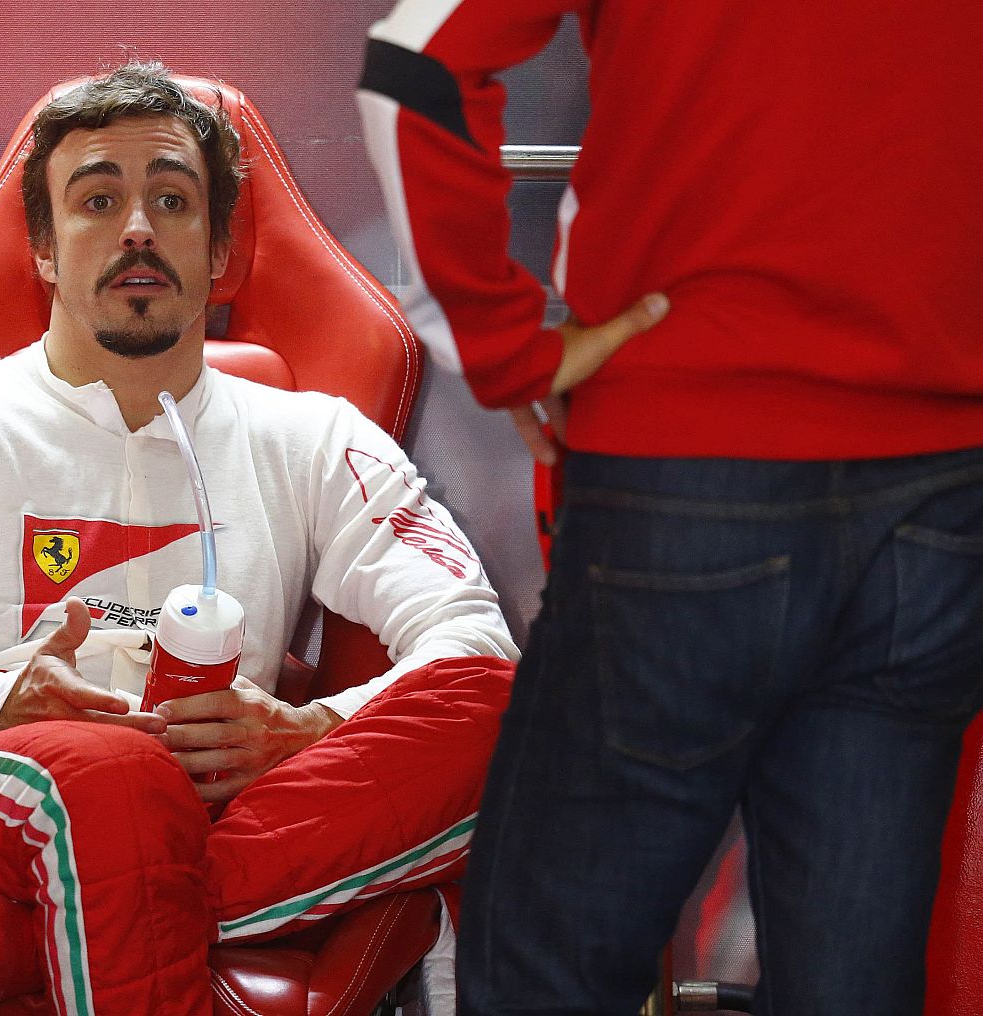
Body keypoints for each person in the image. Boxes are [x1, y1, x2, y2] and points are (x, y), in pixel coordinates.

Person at [0, 61, 516, 1015]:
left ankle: (104, 915)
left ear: (218, 255)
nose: (136, 228)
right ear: (44, 249)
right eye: (96, 200)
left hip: (226, 818)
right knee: (110, 777)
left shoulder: (315, 438)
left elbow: (472, 643)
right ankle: (118, 893)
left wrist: (305, 731)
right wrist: (5, 705)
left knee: (518, 706)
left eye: (172, 199)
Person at [357, 2, 983, 1013]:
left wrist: (507, 345)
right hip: (939, 484)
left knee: (542, 976)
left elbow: (416, 66)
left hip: (690, 461)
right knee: (853, 984)